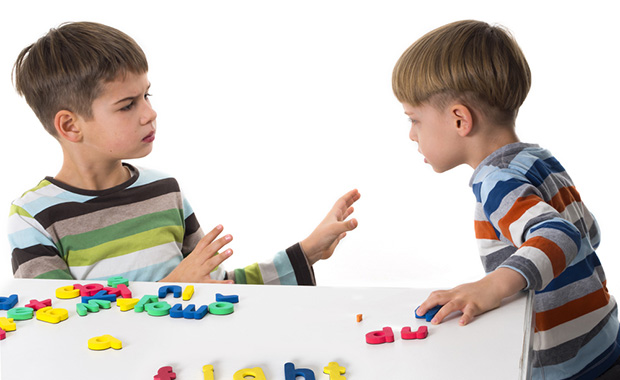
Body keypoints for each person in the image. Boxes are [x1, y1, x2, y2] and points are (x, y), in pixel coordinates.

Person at [8, 21, 360, 285]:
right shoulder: (34, 217)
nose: (149, 113)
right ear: (70, 126)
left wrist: (307, 251)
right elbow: (56, 324)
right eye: (127, 105)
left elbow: (215, 290)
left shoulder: (165, 192)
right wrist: (171, 288)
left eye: (146, 95)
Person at [392, 20, 619, 379]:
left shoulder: (494, 180)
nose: (410, 134)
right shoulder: (538, 159)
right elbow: (589, 232)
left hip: (564, 367)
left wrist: (493, 286)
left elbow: (561, 235)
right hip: (604, 340)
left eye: (414, 119)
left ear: (459, 119)